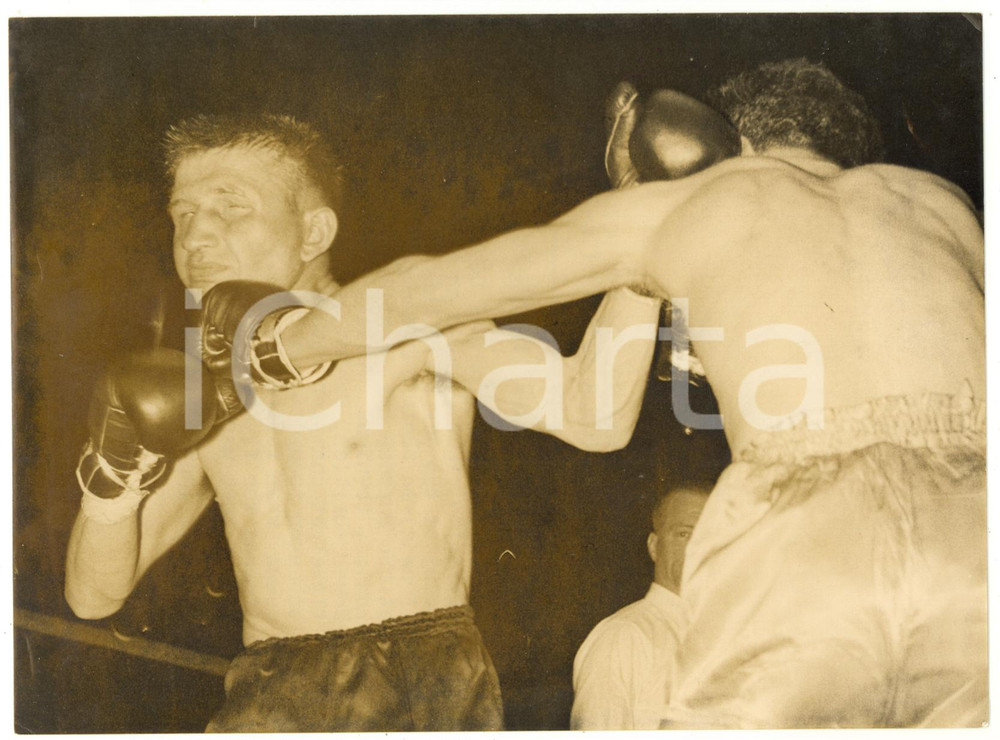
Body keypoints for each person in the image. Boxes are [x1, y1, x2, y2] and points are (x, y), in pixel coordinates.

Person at [222, 59, 986, 728]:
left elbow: (426, 290)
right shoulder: (943, 206)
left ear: (722, 143)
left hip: (801, 523)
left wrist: (278, 346)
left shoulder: (698, 199)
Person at [63, 113, 664, 731]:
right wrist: (114, 474)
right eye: (182, 213)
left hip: (415, 674)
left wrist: (646, 260)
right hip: (267, 691)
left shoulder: (412, 332)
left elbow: (596, 416)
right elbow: (93, 595)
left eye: (230, 207)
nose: (196, 236)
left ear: (313, 231)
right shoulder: (206, 395)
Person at [570, 482, 710, 730]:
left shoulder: (727, 637)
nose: (699, 547)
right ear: (654, 546)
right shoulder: (624, 637)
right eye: (684, 534)